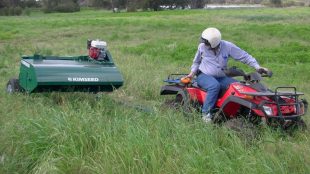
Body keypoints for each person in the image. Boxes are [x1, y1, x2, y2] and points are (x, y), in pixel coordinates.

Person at [187, 27, 268, 123]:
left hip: (221, 77)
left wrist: (257, 67)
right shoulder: (202, 47)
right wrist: (191, 74)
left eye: (206, 42)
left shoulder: (228, 46)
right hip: (204, 75)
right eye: (204, 41)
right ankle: (206, 114)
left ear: (213, 42)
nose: (204, 44)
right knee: (214, 86)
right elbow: (196, 62)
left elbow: (244, 56)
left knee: (239, 87)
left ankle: (242, 113)